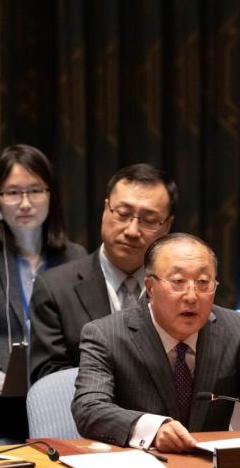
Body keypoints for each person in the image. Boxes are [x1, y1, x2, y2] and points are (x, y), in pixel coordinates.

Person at [72, 233, 240, 451]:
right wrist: (152, 429)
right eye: (178, 281)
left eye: (203, 282)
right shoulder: (106, 334)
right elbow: (89, 408)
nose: (192, 296)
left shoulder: (238, 330)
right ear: (150, 287)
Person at [0, 145, 86, 438]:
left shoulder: (75, 257)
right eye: (12, 193)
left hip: (61, 401)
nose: (25, 203)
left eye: (35, 190)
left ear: (51, 196)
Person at [29, 163, 176, 381]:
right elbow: (48, 380)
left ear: (167, 226)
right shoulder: (55, 289)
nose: (132, 231)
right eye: (123, 214)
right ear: (106, 209)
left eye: (150, 220)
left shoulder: (179, 288)